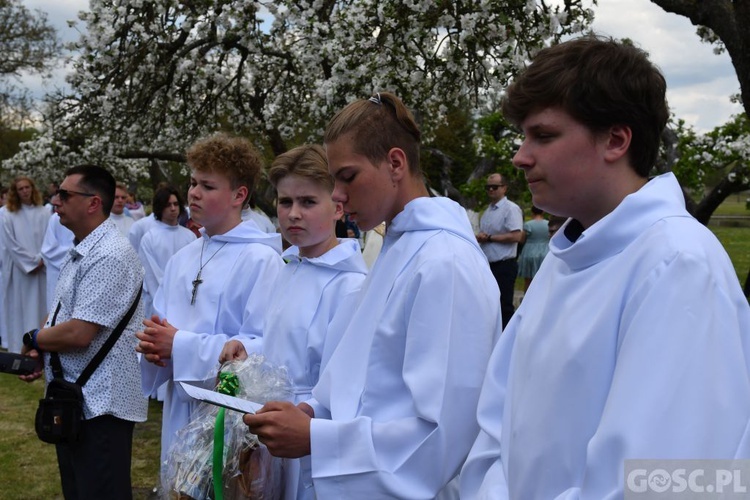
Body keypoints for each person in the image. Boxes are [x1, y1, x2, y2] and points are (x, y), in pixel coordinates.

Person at [459, 37, 750, 500]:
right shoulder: (565, 257)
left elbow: (666, 481)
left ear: (616, 139)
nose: (519, 156)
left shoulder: (679, 264)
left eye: (544, 135)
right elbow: (497, 423)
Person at [242, 92, 501, 498]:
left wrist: (317, 438)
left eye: (348, 177)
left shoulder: (444, 263)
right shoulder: (398, 248)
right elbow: (361, 374)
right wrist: (311, 411)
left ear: (395, 163)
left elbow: (442, 433)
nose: (339, 196)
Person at [221, 144, 368, 500]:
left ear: (337, 206)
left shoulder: (350, 285)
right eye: (285, 202)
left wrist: (306, 415)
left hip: (311, 435)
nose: (293, 214)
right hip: (271, 427)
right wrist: (248, 350)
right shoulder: (287, 269)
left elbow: (348, 381)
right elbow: (283, 341)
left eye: (307, 202)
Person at [136, 133, 284, 479]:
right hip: (178, 409)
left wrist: (180, 345)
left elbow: (264, 348)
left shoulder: (261, 260)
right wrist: (153, 350)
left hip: (229, 419)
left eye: (207, 185)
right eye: (192, 183)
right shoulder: (182, 258)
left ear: (239, 195)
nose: (193, 193)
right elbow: (159, 327)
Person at [20, 164, 147, 499]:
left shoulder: (110, 255)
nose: (56, 201)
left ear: (93, 203)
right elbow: (62, 314)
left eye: (65, 194)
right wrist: (43, 348)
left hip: (102, 405)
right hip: (79, 399)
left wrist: (33, 339)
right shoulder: (83, 248)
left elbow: (79, 333)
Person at [2, 176, 51, 353]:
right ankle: (19, 346)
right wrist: (31, 262)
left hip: (42, 268)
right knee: (20, 308)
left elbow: (50, 238)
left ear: (32, 189)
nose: (24, 191)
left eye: (27, 187)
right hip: (21, 270)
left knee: (41, 307)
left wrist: (42, 258)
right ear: (15, 192)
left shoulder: (44, 212)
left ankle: (42, 344)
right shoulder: (6, 214)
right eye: (20, 188)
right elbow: (10, 243)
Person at [138, 186, 196, 319]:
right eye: (168, 205)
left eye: (176, 204)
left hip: (185, 301)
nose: (173, 208)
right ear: (160, 207)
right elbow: (151, 275)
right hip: (157, 303)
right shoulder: (150, 238)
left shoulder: (190, 236)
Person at [476, 172, 523, 328]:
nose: (491, 190)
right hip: (489, 265)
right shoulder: (488, 211)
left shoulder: (511, 209)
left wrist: (489, 238)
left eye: (495, 187)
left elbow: (517, 235)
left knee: (504, 306)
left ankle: (506, 342)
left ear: (504, 188)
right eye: (488, 187)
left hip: (504, 264)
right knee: (488, 304)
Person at [41, 207, 76, 311]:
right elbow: (49, 249)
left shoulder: (88, 218)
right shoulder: (55, 219)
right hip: (57, 273)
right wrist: (76, 253)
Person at [517, 205, 549, 291]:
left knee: (528, 280)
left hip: (529, 252)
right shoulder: (548, 224)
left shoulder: (528, 224)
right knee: (544, 279)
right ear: (543, 212)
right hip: (545, 252)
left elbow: (521, 239)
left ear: (532, 212)